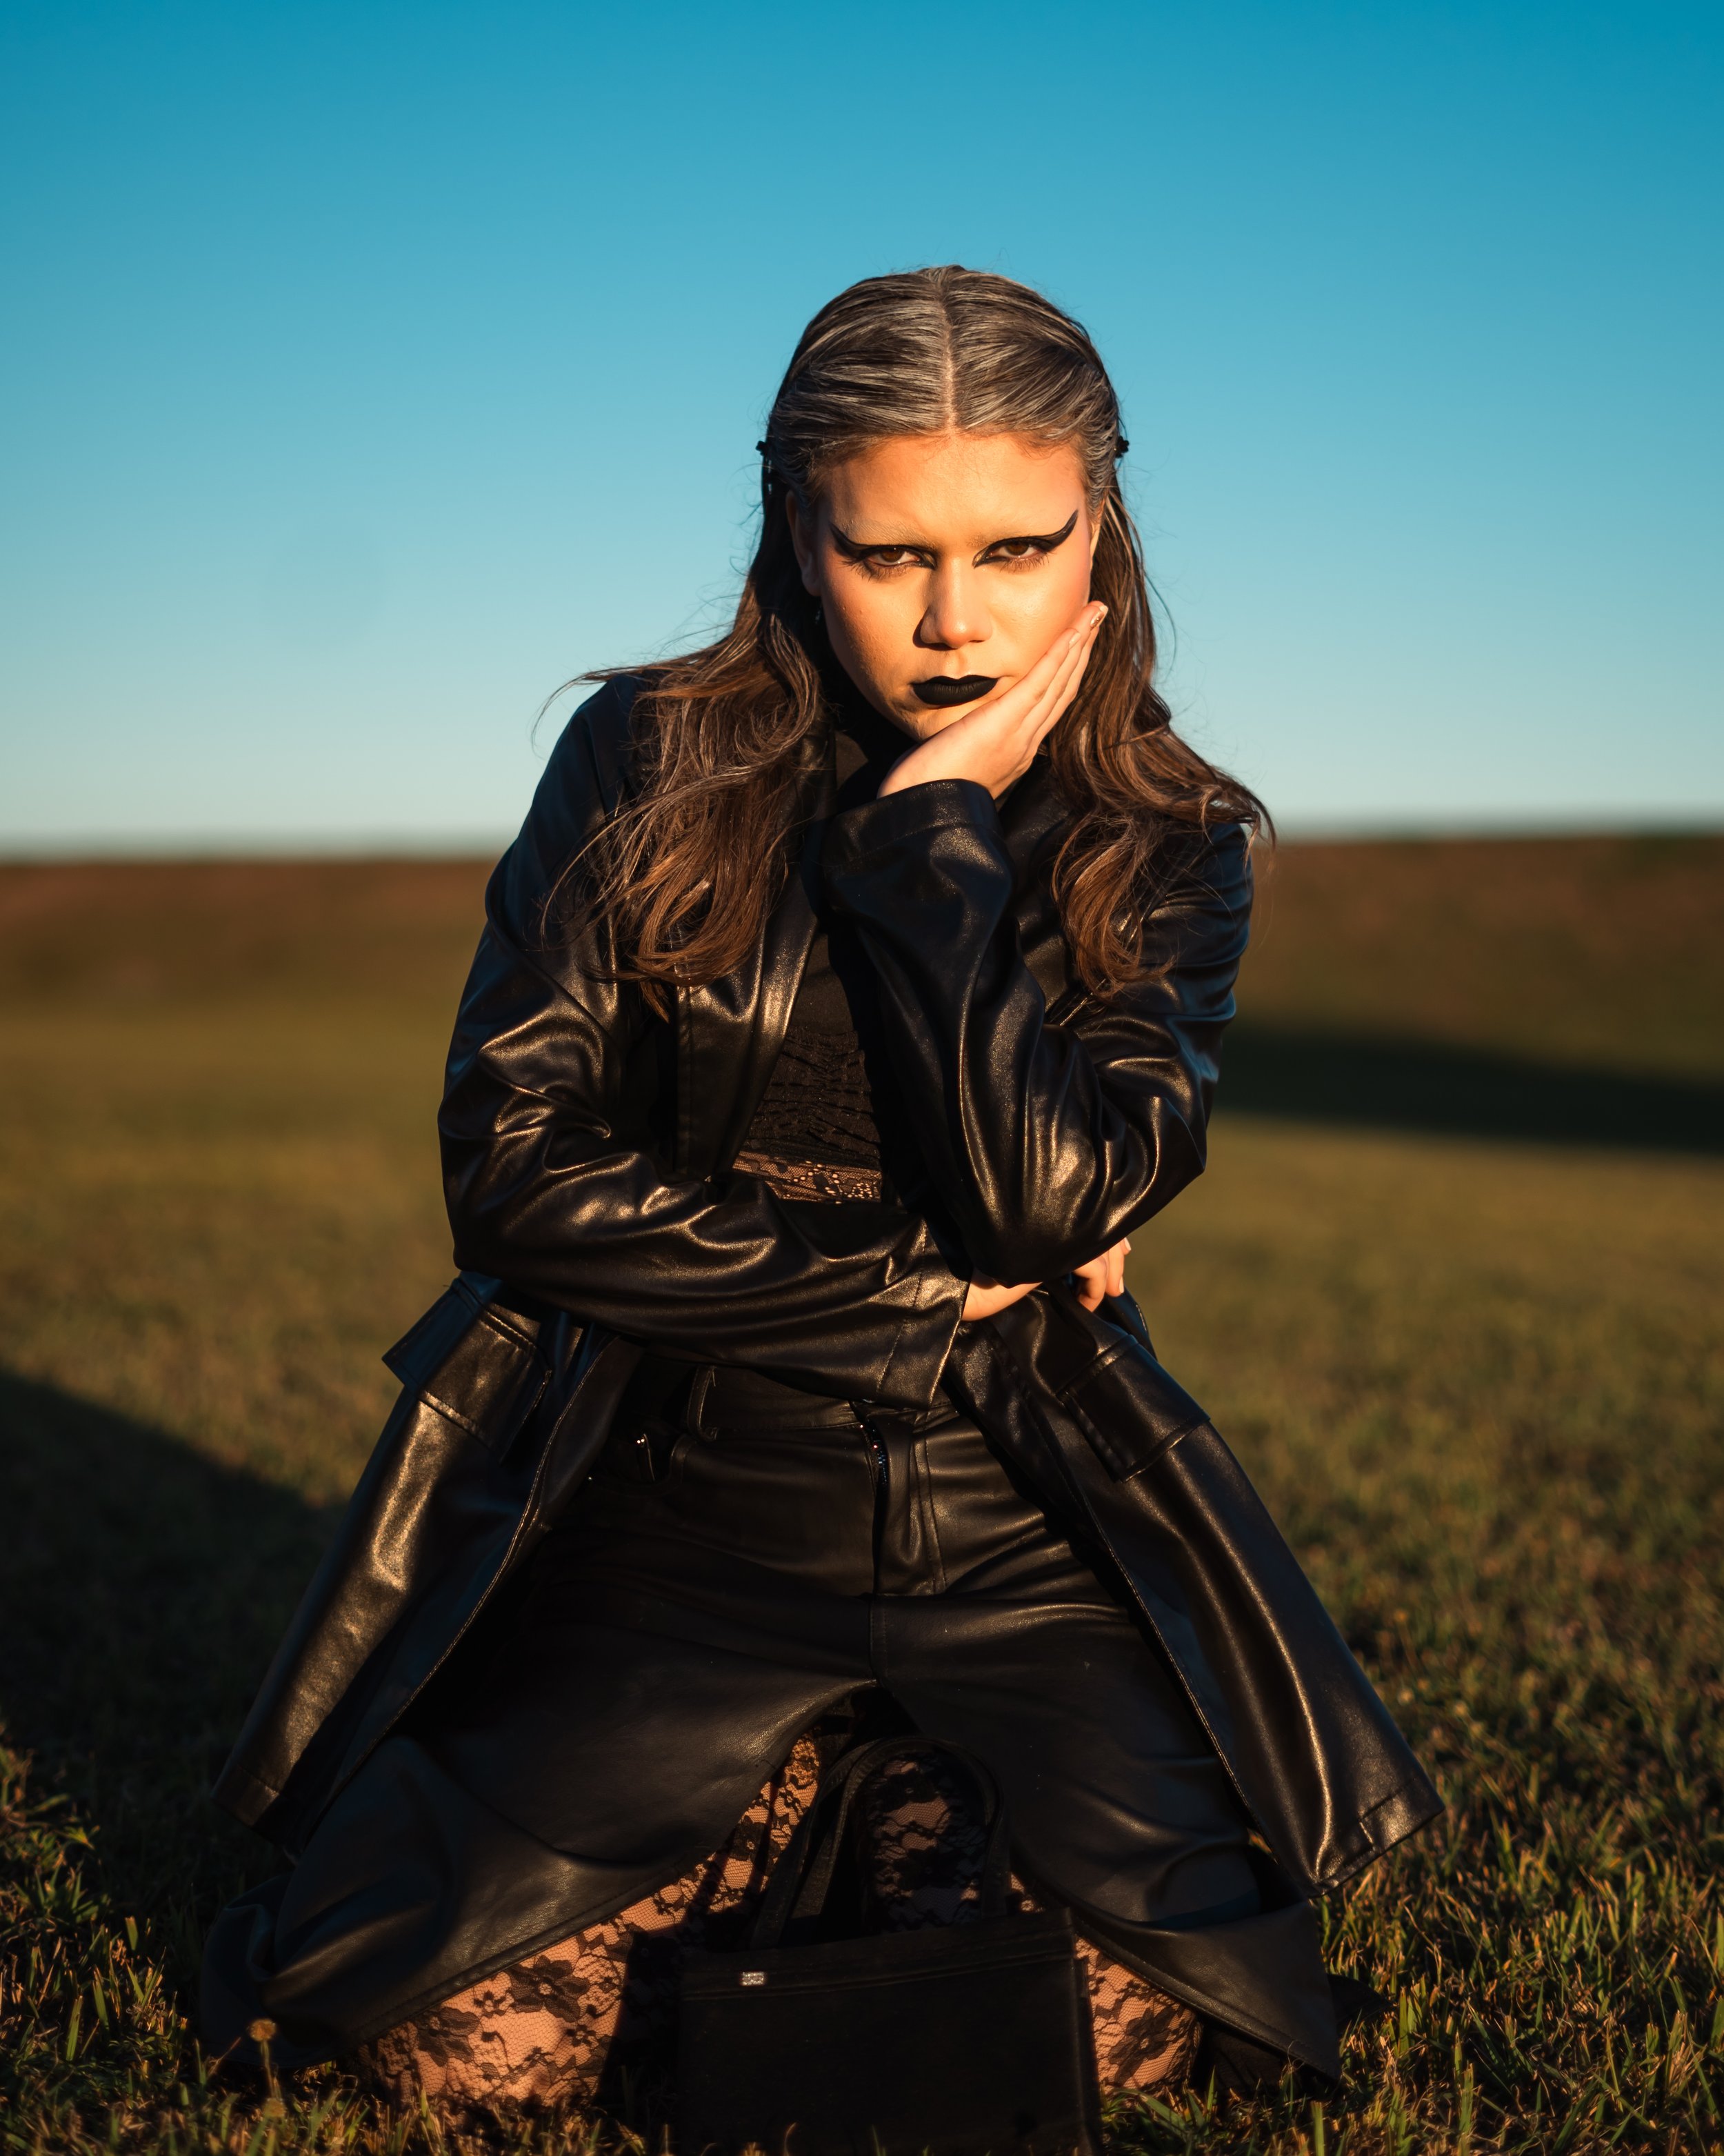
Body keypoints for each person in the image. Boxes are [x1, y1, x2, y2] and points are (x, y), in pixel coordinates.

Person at [201, 266, 1439, 2122]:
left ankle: (892, 1778)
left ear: (1099, 518)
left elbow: (1041, 1209)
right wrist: (902, 1304)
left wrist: (935, 836)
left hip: (1016, 1526)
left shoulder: (1166, 837)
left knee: (1114, 2043)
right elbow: (515, 1171)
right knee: (432, 2047)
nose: (956, 621)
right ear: (797, 526)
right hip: (675, 1509)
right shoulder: (642, 757)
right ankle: (809, 1787)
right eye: (890, 558)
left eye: (1016, 548)